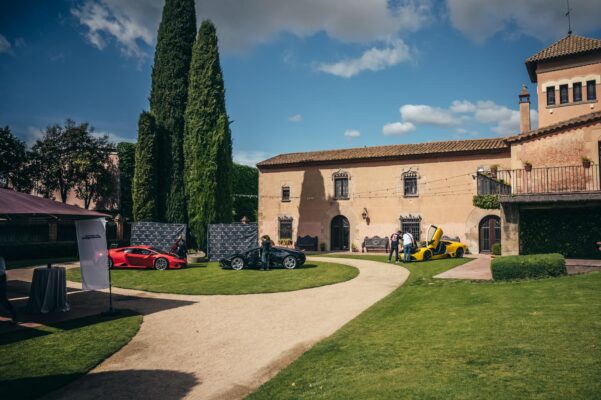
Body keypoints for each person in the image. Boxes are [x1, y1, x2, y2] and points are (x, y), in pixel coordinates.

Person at [0, 257, 17, 323]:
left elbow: (1, 271)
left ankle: (13, 314)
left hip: (0, 279)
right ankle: (13, 314)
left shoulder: (0, 259)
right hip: (1, 278)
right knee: (3, 299)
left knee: (2, 298)